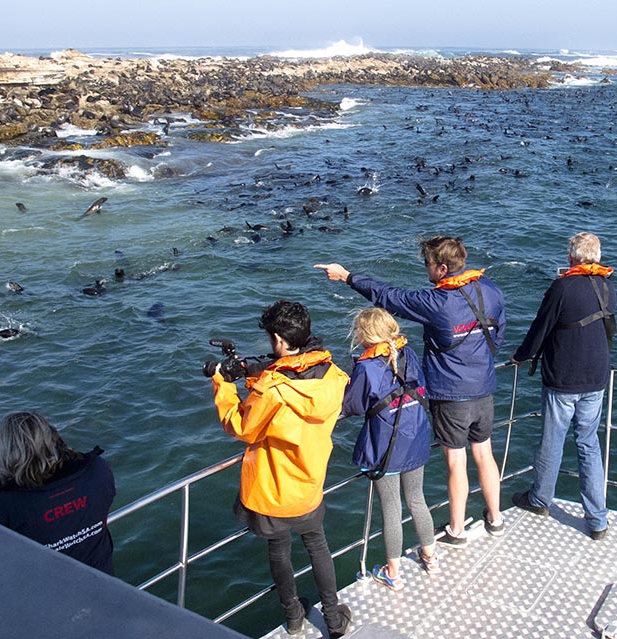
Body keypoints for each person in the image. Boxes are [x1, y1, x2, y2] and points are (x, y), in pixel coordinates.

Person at [315, 235, 507, 548]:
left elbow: (390, 297)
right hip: (484, 388)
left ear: (442, 267)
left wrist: (348, 277)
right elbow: (497, 335)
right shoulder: (491, 290)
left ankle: (457, 530)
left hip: (451, 395)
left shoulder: (438, 303)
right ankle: (496, 519)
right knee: (484, 453)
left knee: (456, 462)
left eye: (428, 264)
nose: (425, 269)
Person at [210, 300, 352, 637]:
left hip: (273, 491)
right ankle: (333, 618)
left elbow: (242, 427)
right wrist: (256, 374)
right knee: (318, 546)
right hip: (310, 485)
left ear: (278, 339)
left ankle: (292, 617)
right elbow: (296, 383)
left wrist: (223, 384)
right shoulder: (333, 376)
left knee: (279, 550)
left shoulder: (272, 390)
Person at [510, 232, 616, 540]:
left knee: (552, 440)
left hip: (563, 378)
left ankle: (540, 499)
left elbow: (540, 328)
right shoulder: (608, 286)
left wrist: (521, 355)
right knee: (589, 444)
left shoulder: (562, 286)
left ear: (572, 257)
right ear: (596, 257)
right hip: (596, 376)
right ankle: (597, 519)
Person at [342, 308, 438, 591]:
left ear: (364, 336)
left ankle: (393, 571)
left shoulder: (366, 366)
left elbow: (354, 406)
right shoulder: (409, 354)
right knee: (417, 499)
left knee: (392, 507)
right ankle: (430, 558)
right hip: (416, 435)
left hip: (387, 445)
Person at [0, 411, 116, 574]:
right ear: (53, 438)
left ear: (5, 455)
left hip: (48, 593)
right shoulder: (98, 470)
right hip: (105, 583)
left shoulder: (3, 505)